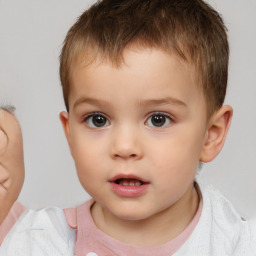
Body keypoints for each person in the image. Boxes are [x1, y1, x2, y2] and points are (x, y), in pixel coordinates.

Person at [0, 0, 255, 255]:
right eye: (98, 120)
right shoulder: (35, 240)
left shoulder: (238, 244)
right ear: (70, 135)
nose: (124, 147)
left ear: (211, 135)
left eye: (158, 119)